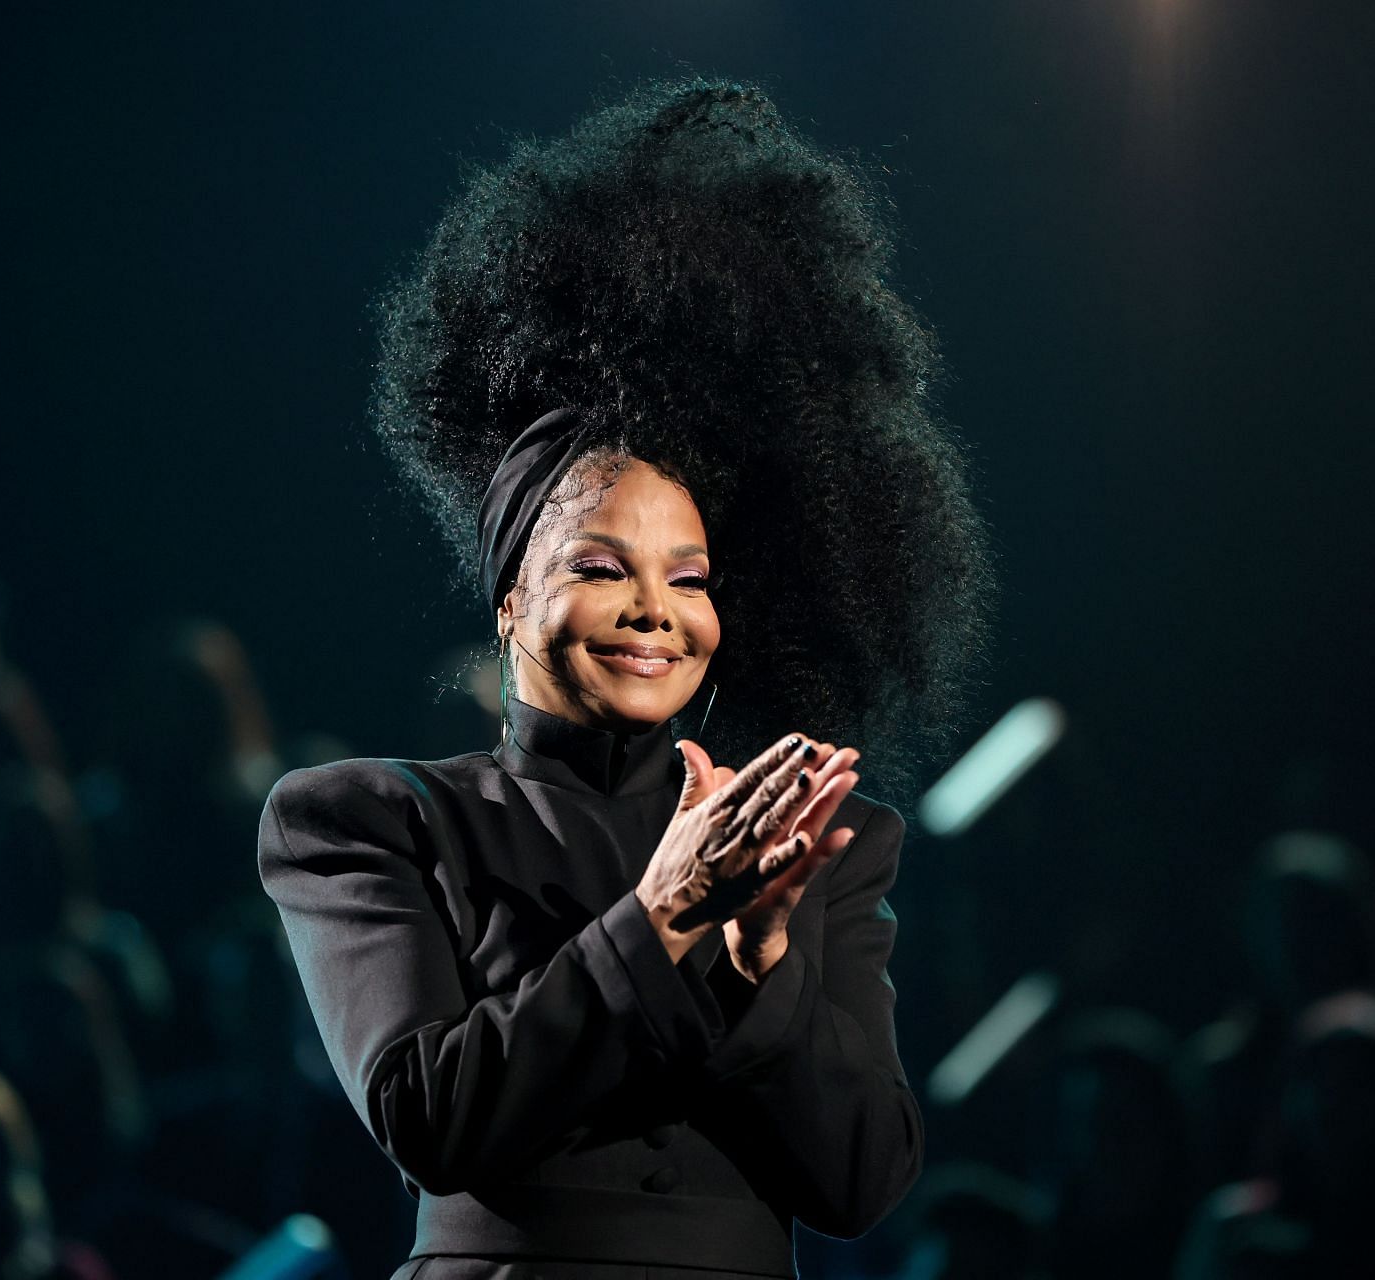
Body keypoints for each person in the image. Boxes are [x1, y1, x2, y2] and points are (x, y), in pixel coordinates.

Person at [259, 76, 996, 1279]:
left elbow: (862, 1181)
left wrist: (763, 963)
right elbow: (430, 1117)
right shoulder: (371, 821)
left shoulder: (822, 845)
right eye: (603, 565)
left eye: (690, 575)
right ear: (509, 601)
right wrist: (664, 913)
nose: (656, 606)